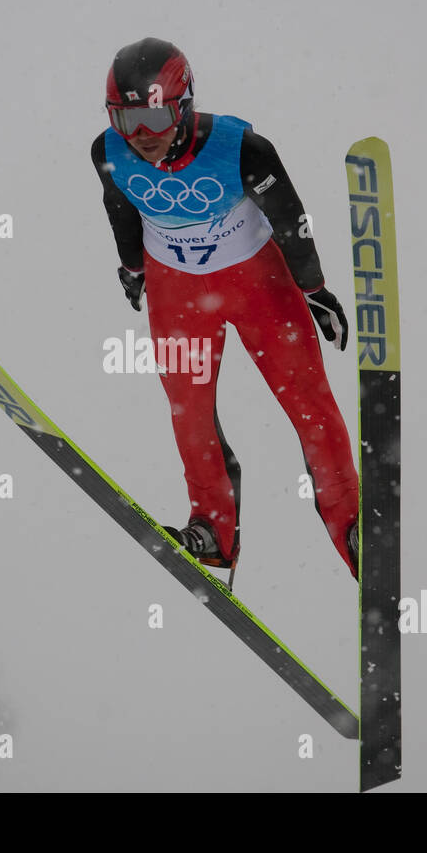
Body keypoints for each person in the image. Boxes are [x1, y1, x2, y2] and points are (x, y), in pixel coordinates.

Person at [91, 37, 358, 585]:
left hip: (258, 282)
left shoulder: (243, 148)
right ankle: (213, 530)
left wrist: (315, 289)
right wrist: (133, 268)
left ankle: (351, 523)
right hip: (177, 290)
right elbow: (119, 206)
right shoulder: (108, 152)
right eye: (126, 119)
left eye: (154, 116)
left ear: (184, 104)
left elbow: (291, 217)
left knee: (307, 401)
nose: (142, 135)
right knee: (188, 409)